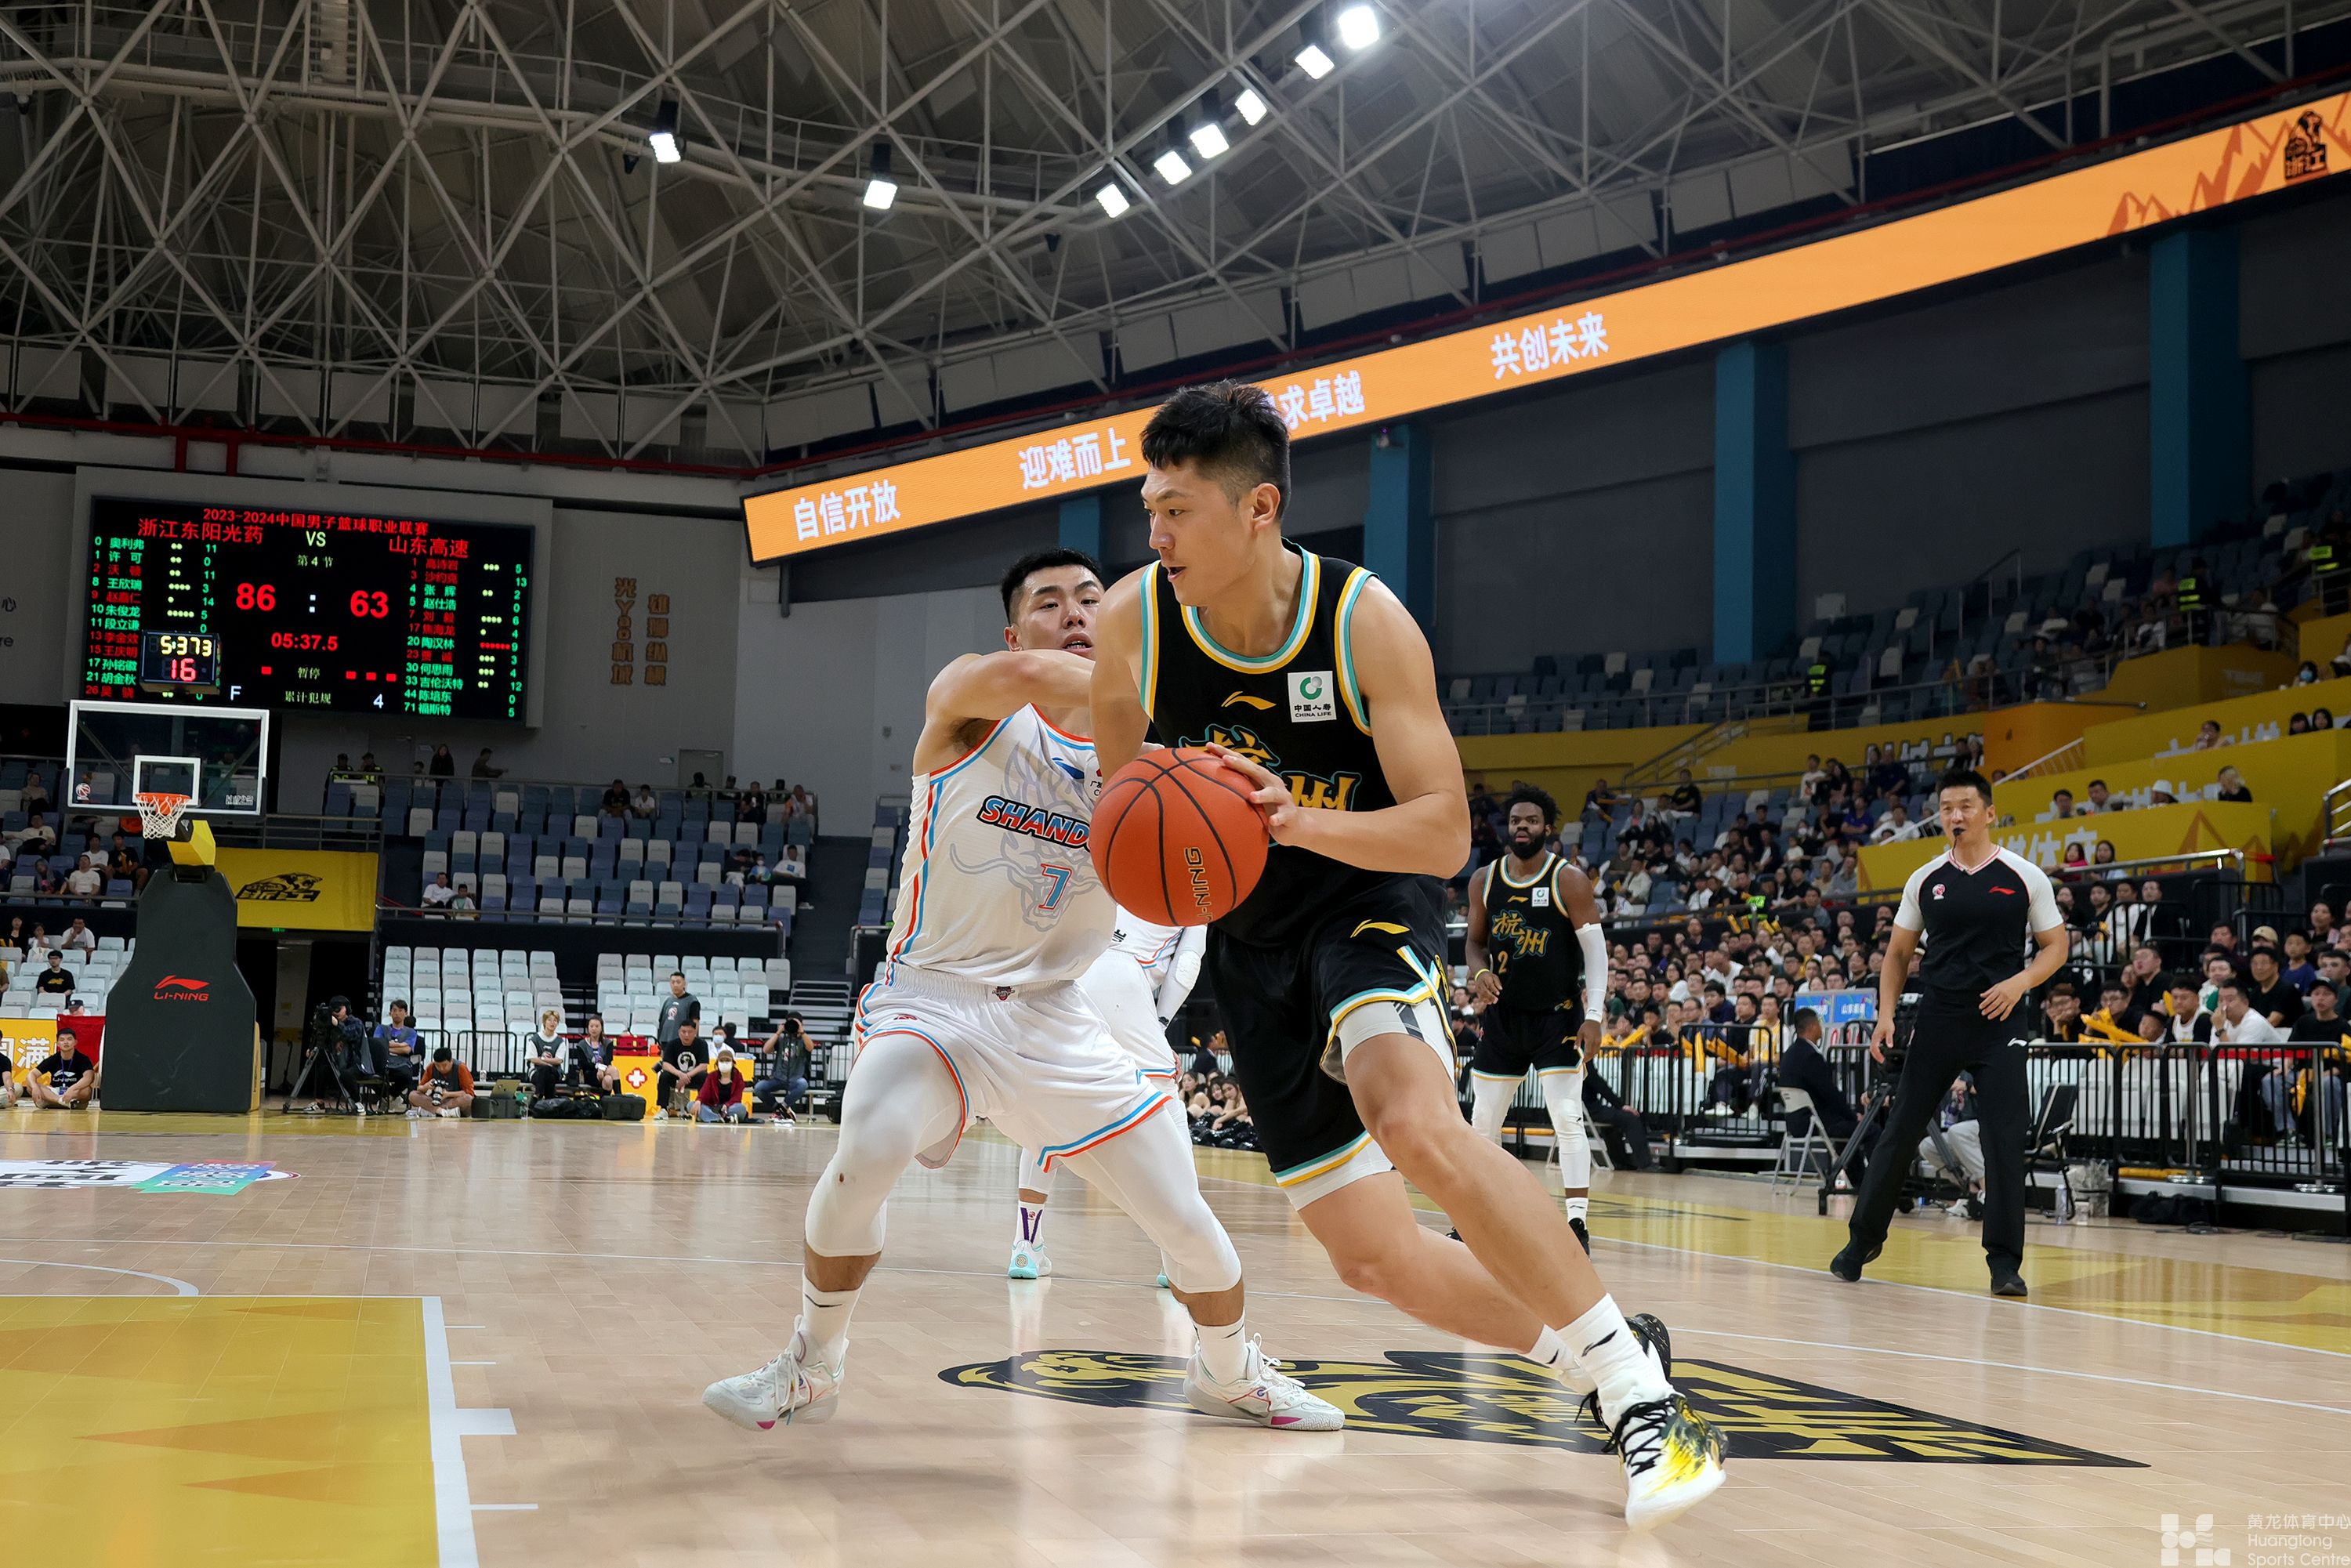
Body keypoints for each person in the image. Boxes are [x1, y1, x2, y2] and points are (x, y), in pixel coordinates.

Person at [1088, 382, 1721, 1526]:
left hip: (1364, 899)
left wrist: (1297, 821)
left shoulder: (1362, 620)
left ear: (1259, 508)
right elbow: (1126, 809)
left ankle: (1649, 1407)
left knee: (1414, 1119)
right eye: (1150, 511)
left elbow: (1442, 835)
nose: (1157, 535)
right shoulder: (1135, 622)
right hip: (1246, 939)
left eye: (1178, 511)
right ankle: (1607, 1354)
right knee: (1371, 1257)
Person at [703, 545, 1346, 1445]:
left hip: (1054, 1014)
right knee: (870, 1147)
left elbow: (1226, 844)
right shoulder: (970, 699)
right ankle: (815, 1359)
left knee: (1186, 1221)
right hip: (934, 1001)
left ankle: (1230, 1373)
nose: (1075, 612)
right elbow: (1039, 678)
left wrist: (1245, 796)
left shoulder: (1149, 767)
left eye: (1091, 598)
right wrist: (1178, 675)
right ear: (1013, 632)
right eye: (1051, 602)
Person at [1832, 767, 2068, 1299]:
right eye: (1946, 808)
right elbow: (1898, 954)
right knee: (1900, 1131)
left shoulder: (2024, 875)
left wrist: (2020, 982)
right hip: (1939, 1017)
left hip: (2001, 1019)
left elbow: (2056, 946)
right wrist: (1886, 1014)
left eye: (1965, 806)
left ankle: (2004, 1263)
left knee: (2004, 1138)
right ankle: (1861, 1242)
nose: (1955, 816)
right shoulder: (1925, 878)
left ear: (1989, 813)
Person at [1008, 904, 1207, 1281]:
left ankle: (1025, 1246)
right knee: (1167, 1103)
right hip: (1127, 977)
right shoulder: (1198, 889)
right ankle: (1179, 1256)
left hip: (1075, 971)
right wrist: (1160, 1024)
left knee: (1048, 1110)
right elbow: (1187, 965)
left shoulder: (1115, 867)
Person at [1463, 784, 1609, 1248]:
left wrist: (1594, 1015)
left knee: (1566, 1117)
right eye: (1515, 821)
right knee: (1483, 1121)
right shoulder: (1485, 879)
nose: (1521, 827)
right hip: (1504, 1017)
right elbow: (1474, 943)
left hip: (1558, 1017)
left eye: (1530, 821)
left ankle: (1577, 1224)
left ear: (1548, 828)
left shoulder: (1569, 880)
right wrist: (1479, 971)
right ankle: (1479, 1220)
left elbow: (1597, 953)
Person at [755, 1013, 814, 1124]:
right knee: (759, 1087)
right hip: (777, 1077)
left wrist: (801, 1031)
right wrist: (778, 1032)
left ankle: (783, 1107)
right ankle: (779, 1109)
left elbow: (810, 1048)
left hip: (795, 1078)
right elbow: (766, 1050)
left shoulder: (803, 1039)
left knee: (803, 1084)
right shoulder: (781, 1039)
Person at [27, 1027, 100, 1109]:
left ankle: (51, 1101)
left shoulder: (83, 1059)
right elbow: (32, 1074)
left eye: (69, 1039)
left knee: (87, 1090)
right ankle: (61, 1101)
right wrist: (34, 1087)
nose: (65, 1042)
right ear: (58, 1044)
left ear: (75, 1042)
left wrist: (72, 1089)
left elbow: (89, 1078)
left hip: (74, 1092)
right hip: (56, 1092)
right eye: (62, 1040)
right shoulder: (53, 1059)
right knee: (30, 1087)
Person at [407, 1048, 475, 1117]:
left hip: (453, 1101)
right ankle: (444, 1112)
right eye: (438, 1066)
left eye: (444, 1065)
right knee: (413, 1095)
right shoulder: (431, 1066)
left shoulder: (461, 1067)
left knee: (468, 1099)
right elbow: (419, 1089)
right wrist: (426, 1087)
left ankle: (431, 1111)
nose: (441, 1069)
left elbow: (469, 1093)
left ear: (451, 1061)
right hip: (434, 1101)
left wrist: (447, 1094)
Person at [691, 1045, 752, 1123]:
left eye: (727, 1060)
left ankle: (709, 1117)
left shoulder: (738, 1077)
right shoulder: (712, 1076)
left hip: (729, 1108)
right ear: (717, 1063)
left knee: (741, 1108)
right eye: (722, 1061)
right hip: (713, 1107)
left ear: (732, 1063)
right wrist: (699, 1101)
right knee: (691, 1105)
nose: (724, 1063)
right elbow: (704, 1092)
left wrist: (727, 1105)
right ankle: (720, 1118)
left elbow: (737, 1097)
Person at [374, 1000, 422, 1095]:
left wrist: (386, 1046)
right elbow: (378, 1045)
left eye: (400, 1011)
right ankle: (388, 1097)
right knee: (368, 1074)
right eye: (394, 1010)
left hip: (402, 1064)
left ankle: (391, 1096)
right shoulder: (381, 1028)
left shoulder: (411, 1032)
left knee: (406, 1076)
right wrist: (401, 1045)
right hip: (383, 1063)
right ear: (390, 1013)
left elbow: (407, 1050)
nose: (397, 1013)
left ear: (406, 1013)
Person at [525, 1009, 571, 1099]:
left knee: (547, 1071)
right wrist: (549, 1064)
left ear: (557, 1023)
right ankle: (549, 1102)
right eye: (549, 1020)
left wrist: (542, 1059)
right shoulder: (535, 1039)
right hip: (536, 1072)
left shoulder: (560, 1041)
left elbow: (559, 1060)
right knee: (549, 1077)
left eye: (555, 1020)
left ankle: (538, 1095)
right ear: (544, 1022)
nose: (552, 1023)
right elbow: (532, 1059)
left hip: (555, 1071)